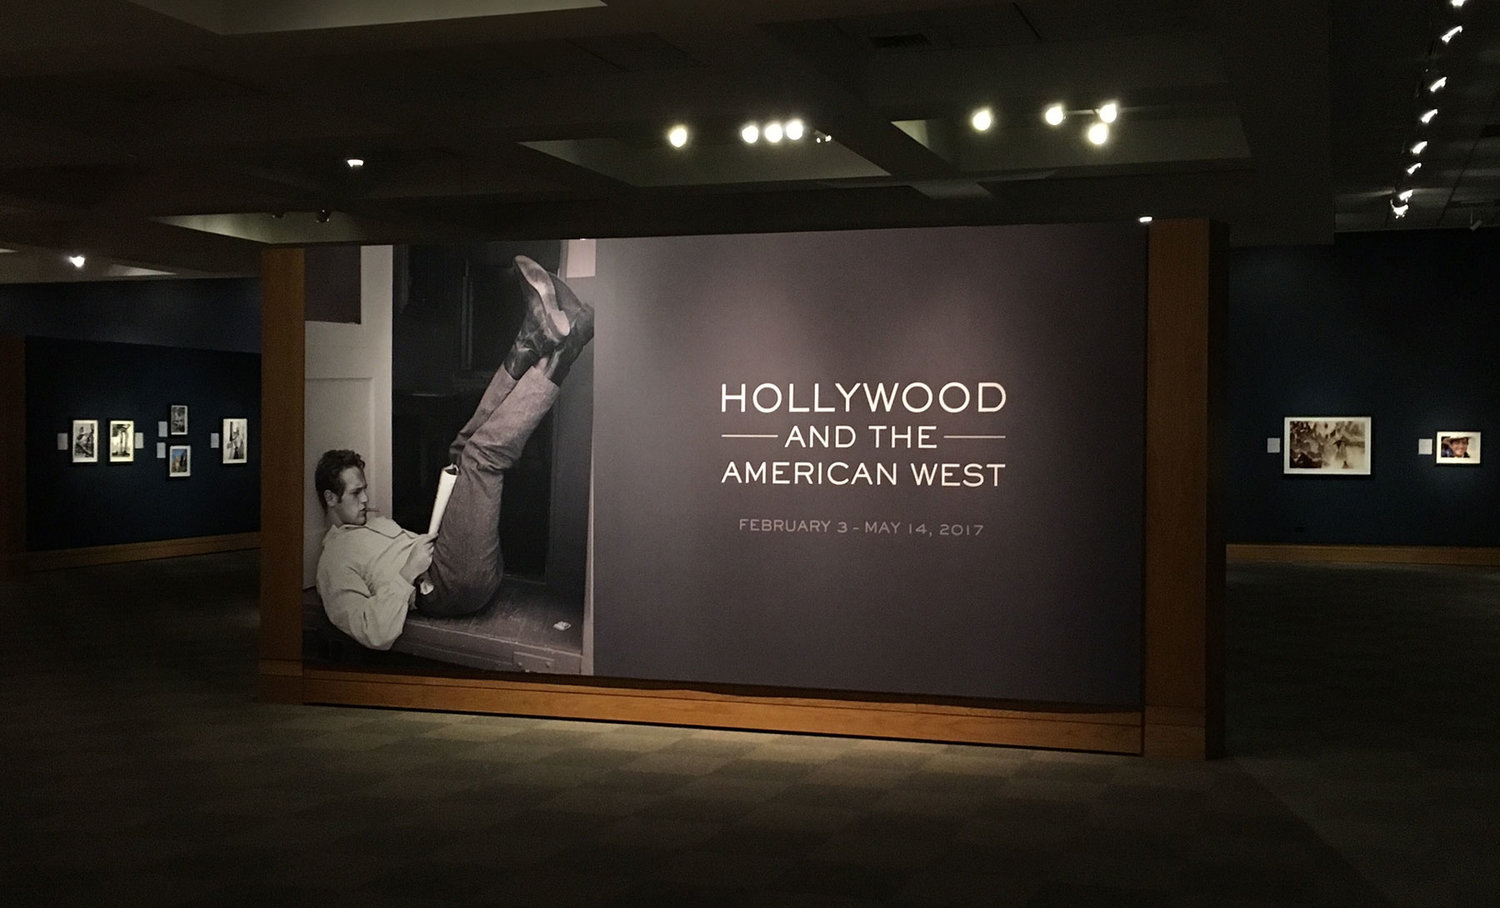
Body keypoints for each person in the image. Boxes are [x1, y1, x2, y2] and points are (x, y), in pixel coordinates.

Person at [314, 255, 593, 650]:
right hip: (445, 589)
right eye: (355, 493)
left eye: (363, 489)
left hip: (453, 560)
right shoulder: (333, 565)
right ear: (329, 498)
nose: (366, 499)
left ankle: (532, 338)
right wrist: (403, 575)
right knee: (482, 458)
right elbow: (370, 630)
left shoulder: (368, 526)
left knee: (461, 452)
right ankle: (566, 353)